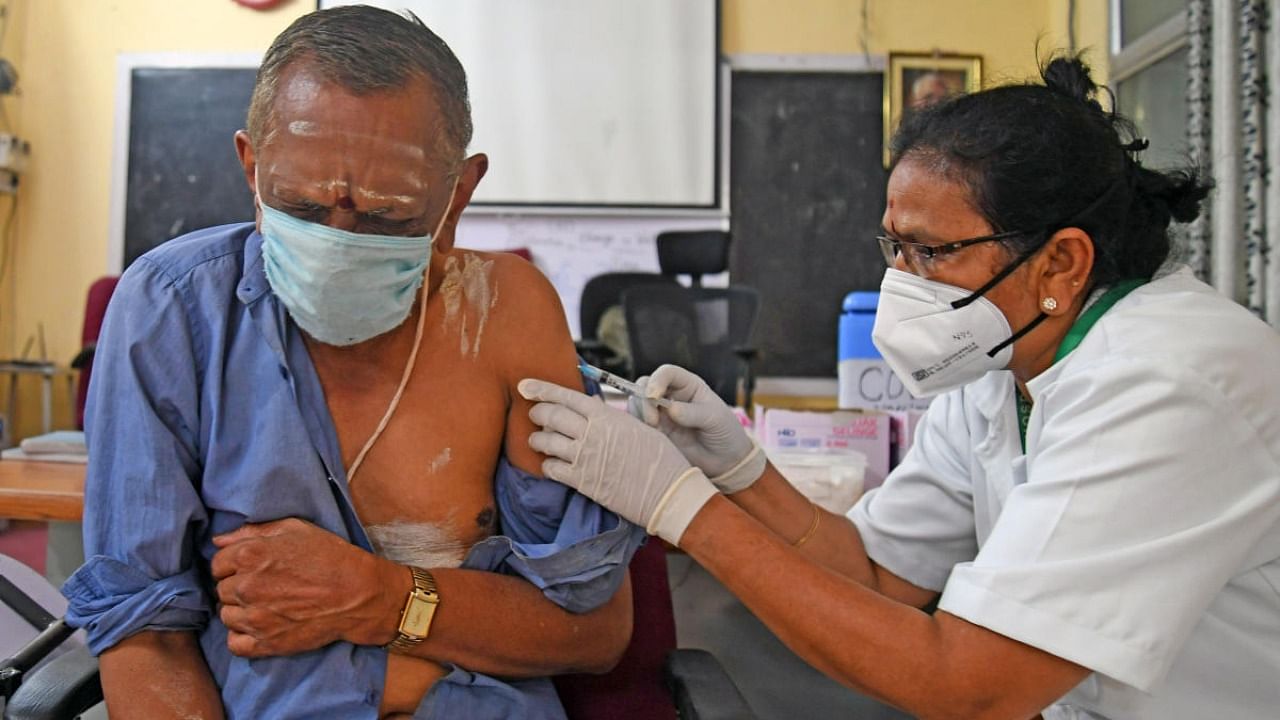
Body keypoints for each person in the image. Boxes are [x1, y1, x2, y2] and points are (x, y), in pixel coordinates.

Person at [520, 55, 1280, 719]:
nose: (900, 281)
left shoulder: (1168, 383)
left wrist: (683, 509)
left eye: (932, 252)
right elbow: (880, 574)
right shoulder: (999, 365)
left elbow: (969, 685)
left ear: (1060, 264)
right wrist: (736, 469)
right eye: (894, 245)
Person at [62, 6, 642, 719]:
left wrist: (378, 598)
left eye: (385, 217)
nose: (336, 244)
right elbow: (141, 631)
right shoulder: (171, 310)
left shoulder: (506, 316)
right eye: (301, 206)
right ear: (251, 166)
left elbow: (596, 632)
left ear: (458, 194)